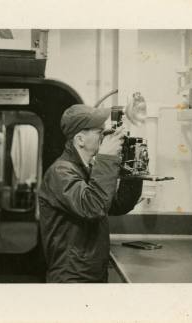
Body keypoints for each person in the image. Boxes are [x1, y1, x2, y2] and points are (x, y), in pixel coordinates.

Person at [38, 104, 143, 283]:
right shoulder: (61, 173)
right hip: (72, 277)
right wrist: (107, 159)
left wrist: (131, 164)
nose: (105, 136)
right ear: (80, 139)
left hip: (91, 272)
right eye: (100, 132)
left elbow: (118, 204)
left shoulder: (87, 168)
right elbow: (93, 207)